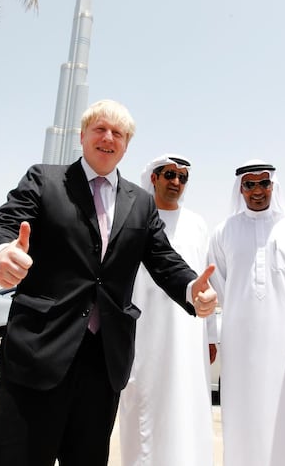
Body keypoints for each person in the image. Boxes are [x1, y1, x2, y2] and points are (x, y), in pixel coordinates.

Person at [0, 100, 218, 466]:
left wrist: (192, 290)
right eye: (100, 129)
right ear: (83, 136)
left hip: (103, 363)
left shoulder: (140, 204)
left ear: (126, 144)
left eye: (118, 133)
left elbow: (163, 260)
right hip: (39, 353)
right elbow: (1, 226)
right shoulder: (45, 180)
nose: (108, 138)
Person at [207, 160, 285, 466]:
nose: (257, 190)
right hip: (240, 343)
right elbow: (220, 286)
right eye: (249, 184)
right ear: (240, 189)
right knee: (243, 417)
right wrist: (245, 312)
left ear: (273, 186)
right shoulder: (223, 232)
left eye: (263, 183)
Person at [118, 154, 214, 466]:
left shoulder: (198, 224)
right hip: (142, 335)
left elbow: (205, 284)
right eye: (169, 174)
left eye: (183, 177)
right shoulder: (132, 219)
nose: (176, 182)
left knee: (185, 409)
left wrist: (210, 334)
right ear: (154, 178)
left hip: (186, 336)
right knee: (143, 411)